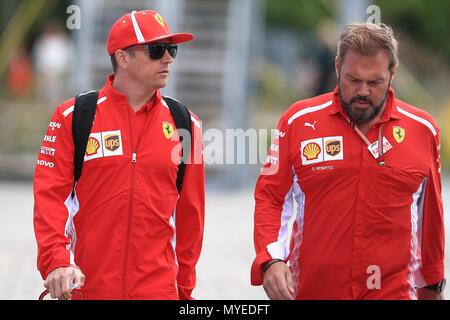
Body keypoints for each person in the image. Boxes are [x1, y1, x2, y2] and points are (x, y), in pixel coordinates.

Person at [251, 23, 445, 300]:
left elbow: (431, 218)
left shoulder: (422, 129)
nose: (363, 91)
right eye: (353, 80)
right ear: (337, 66)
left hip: (393, 293)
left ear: (393, 73)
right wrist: (271, 259)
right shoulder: (298, 121)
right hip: (312, 291)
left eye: (375, 82)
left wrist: (433, 285)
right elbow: (270, 197)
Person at [33, 10, 205, 300]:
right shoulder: (73, 116)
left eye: (171, 49)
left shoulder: (187, 124)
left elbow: (191, 218)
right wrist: (57, 262)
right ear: (123, 58)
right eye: (156, 50)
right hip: (87, 288)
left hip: (158, 291)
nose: (169, 59)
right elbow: (50, 198)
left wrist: (184, 292)